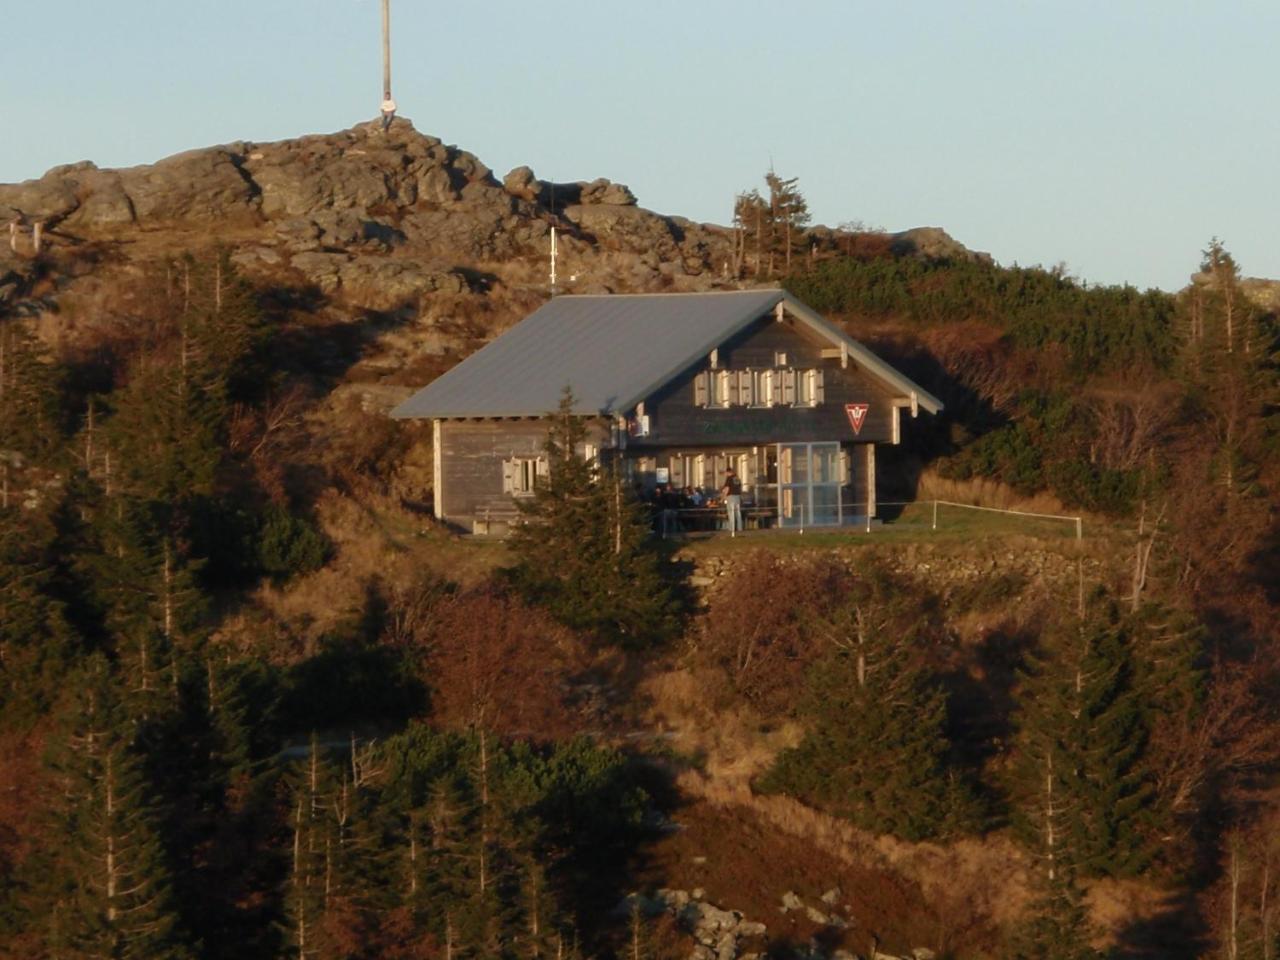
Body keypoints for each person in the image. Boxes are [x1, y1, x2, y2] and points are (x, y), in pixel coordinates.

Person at [720, 467, 743, 537]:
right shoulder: (737, 478)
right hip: (738, 497)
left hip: (731, 497)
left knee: (731, 513)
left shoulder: (729, 478)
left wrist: (722, 498)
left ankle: (732, 528)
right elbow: (740, 488)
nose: (726, 474)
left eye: (726, 473)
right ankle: (740, 528)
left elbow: (727, 488)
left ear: (728, 472)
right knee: (738, 512)